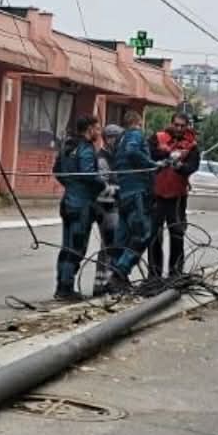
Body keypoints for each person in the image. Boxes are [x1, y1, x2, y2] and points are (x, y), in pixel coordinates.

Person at [107, 110, 165, 291]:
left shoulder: (120, 140)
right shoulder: (135, 135)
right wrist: (152, 165)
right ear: (137, 122)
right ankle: (121, 270)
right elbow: (133, 152)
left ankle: (116, 280)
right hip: (137, 193)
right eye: (141, 124)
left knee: (122, 237)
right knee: (143, 234)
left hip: (124, 193)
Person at [52, 115, 104, 301]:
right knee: (76, 247)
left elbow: (57, 171)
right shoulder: (85, 148)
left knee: (66, 247)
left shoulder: (67, 146)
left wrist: (70, 184)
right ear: (89, 129)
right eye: (97, 128)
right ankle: (66, 288)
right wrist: (104, 185)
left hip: (67, 202)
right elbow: (89, 175)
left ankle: (61, 286)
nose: (99, 132)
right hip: (81, 204)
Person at [147, 113, 199, 278]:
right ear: (171, 124)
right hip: (156, 194)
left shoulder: (191, 145)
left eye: (182, 126)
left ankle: (175, 273)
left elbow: (193, 166)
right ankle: (154, 275)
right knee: (154, 236)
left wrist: (180, 167)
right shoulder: (157, 138)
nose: (179, 128)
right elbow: (148, 155)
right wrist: (165, 154)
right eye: (176, 125)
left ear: (187, 126)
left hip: (177, 197)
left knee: (177, 235)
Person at [91, 124, 123, 296]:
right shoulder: (103, 160)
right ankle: (104, 284)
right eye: (115, 138)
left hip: (112, 206)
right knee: (111, 246)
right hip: (107, 207)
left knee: (109, 247)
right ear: (108, 139)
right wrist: (121, 191)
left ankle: (104, 283)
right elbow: (102, 186)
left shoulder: (114, 157)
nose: (118, 142)